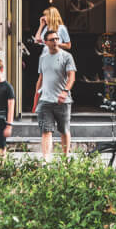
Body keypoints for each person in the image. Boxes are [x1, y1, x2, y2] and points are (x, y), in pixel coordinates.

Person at [34, 31, 76, 161]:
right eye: (52, 39)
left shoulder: (66, 56)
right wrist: (35, 100)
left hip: (62, 101)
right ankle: (46, 159)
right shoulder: (43, 58)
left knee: (64, 130)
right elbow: (40, 78)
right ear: (45, 42)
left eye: (57, 39)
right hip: (45, 100)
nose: (55, 41)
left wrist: (65, 91)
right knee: (46, 131)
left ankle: (65, 157)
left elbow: (71, 77)